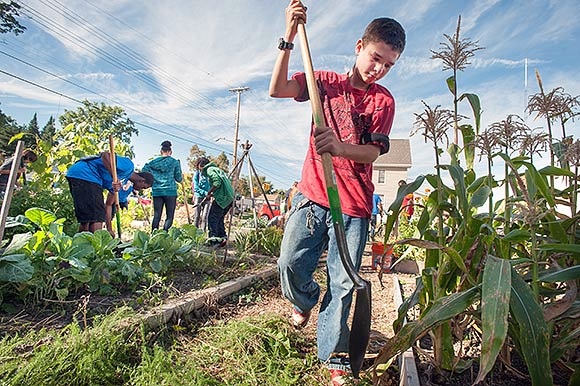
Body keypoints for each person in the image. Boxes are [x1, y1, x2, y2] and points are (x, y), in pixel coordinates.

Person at [269, 1, 405, 383]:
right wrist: (289, 36)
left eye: (388, 65)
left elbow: (374, 151)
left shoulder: (383, 101)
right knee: (289, 263)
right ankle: (304, 300)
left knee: (343, 287)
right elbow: (277, 88)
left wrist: (340, 147)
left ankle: (334, 358)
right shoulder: (323, 82)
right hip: (313, 195)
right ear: (360, 46)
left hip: (354, 207)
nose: (379, 69)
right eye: (376, 58)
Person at [66, 152, 153, 233]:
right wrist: (113, 176)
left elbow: (108, 205)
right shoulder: (128, 166)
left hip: (78, 175)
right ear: (142, 180)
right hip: (87, 173)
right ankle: (96, 247)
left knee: (87, 218)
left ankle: (82, 246)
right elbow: (105, 155)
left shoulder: (121, 183)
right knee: (97, 218)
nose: (141, 189)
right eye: (144, 187)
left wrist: (109, 229)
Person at [142, 141, 183, 231]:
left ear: (161, 151)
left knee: (157, 216)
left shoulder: (152, 163)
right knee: (169, 216)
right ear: (170, 152)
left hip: (157, 191)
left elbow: (144, 171)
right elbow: (179, 178)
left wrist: (153, 179)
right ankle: (165, 235)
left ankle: (154, 235)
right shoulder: (175, 162)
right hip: (170, 191)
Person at [196, 157, 234, 248]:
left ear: (201, 166)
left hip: (222, 198)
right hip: (229, 198)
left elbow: (217, 182)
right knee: (219, 218)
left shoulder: (209, 169)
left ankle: (214, 240)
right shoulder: (217, 169)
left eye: (199, 168)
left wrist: (209, 193)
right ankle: (222, 238)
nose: (200, 171)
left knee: (212, 218)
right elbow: (220, 186)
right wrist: (211, 195)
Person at [192, 166, 211, 230]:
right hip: (199, 196)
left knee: (205, 216)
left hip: (207, 198)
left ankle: (203, 234)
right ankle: (194, 233)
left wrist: (210, 194)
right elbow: (196, 187)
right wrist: (205, 193)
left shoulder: (209, 174)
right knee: (197, 216)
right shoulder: (197, 174)